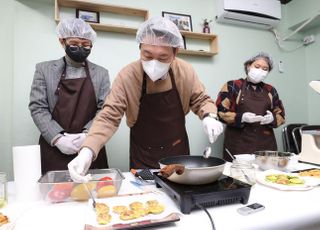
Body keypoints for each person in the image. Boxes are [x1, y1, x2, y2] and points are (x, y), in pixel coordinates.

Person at [67, 17, 224, 182]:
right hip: (143, 155)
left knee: (180, 191)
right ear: (140, 48)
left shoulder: (184, 71)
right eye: (147, 55)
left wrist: (210, 117)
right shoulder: (128, 75)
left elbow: (201, 99)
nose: (154, 63)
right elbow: (109, 116)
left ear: (175, 52)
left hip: (178, 153)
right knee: (146, 196)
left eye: (163, 58)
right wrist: (88, 150)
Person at [29, 18, 110, 174]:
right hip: (53, 149)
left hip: (89, 148)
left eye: (86, 45)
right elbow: (38, 107)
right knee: (54, 194)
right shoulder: (44, 70)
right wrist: (58, 139)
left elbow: (105, 109)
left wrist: (88, 136)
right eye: (74, 44)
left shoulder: (101, 73)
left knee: (92, 192)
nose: (80, 48)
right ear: (62, 41)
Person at [216, 52, 285, 161]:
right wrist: (241, 117)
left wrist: (272, 119)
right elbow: (220, 111)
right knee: (238, 175)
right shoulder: (233, 85)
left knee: (266, 176)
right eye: (257, 66)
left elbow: (280, 114)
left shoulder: (271, 90)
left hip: (265, 143)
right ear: (248, 66)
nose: (260, 71)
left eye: (265, 69)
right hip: (238, 144)